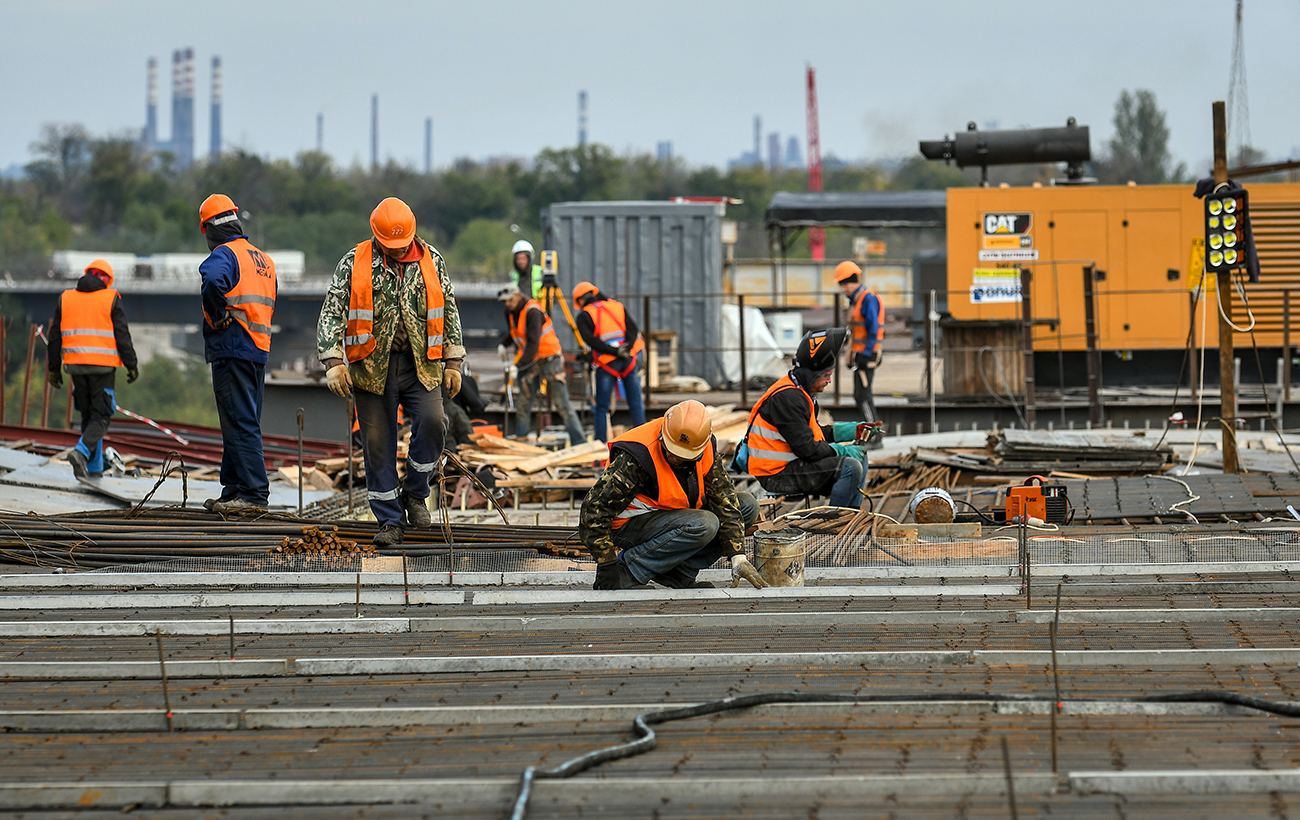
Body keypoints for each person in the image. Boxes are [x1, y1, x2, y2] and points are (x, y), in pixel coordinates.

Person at [318, 197, 466, 546]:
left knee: (434, 422)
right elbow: (331, 311)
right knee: (376, 443)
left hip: (421, 365)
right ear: (377, 237)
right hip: (371, 368)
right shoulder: (355, 262)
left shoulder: (432, 260)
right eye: (391, 246)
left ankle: (416, 493)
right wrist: (333, 361)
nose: (398, 251)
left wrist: (454, 361)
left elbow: (449, 309)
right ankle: (390, 521)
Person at [580, 400, 767, 590]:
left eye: (682, 456)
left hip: (672, 518)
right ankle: (628, 572)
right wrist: (607, 563)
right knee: (704, 524)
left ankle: (678, 574)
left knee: (746, 506)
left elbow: (725, 500)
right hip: (628, 526)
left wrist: (738, 557)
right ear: (664, 433)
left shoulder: (705, 447)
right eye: (671, 451)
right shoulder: (638, 455)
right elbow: (594, 509)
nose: (674, 458)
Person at [198, 194, 277, 514]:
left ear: (209, 229)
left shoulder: (224, 254)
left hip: (232, 345)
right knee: (240, 419)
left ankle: (254, 495)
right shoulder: (263, 260)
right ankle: (233, 490)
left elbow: (213, 279)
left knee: (240, 421)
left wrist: (217, 315)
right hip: (257, 348)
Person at [738, 328, 871, 509]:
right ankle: (834, 524)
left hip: (789, 464)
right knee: (849, 467)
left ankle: (851, 516)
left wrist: (851, 430)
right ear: (812, 374)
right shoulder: (789, 399)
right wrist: (840, 451)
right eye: (826, 376)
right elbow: (808, 449)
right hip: (776, 474)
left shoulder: (800, 391)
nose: (829, 381)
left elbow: (812, 434)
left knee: (861, 458)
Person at [47, 259, 139, 479]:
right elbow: (122, 335)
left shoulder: (66, 298)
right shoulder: (111, 297)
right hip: (103, 368)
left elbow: (54, 337)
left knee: (89, 415)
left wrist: (53, 369)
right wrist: (132, 365)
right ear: (106, 278)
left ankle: (94, 467)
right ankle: (80, 452)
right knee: (102, 415)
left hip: (76, 367)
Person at [496, 284, 585, 446]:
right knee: (523, 404)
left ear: (517, 296)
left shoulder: (533, 311)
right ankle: (521, 443)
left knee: (562, 403)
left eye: (509, 301)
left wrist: (518, 365)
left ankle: (579, 442)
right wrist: (503, 344)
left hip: (549, 359)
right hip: (532, 361)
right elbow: (515, 332)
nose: (506, 304)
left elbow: (533, 343)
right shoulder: (510, 312)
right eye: (504, 302)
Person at [571, 281, 645, 442]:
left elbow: (591, 341)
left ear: (580, 301)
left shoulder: (585, 315)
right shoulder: (616, 306)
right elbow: (633, 329)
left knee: (602, 407)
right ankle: (643, 440)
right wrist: (626, 349)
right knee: (635, 402)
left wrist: (614, 352)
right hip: (628, 359)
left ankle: (600, 444)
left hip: (607, 363)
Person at [834, 261, 883, 423]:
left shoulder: (867, 299)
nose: (843, 289)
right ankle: (872, 436)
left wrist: (866, 354)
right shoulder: (857, 300)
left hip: (867, 355)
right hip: (860, 354)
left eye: (844, 285)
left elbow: (873, 330)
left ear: (851, 282)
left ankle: (873, 437)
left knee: (863, 396)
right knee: (860, 395)